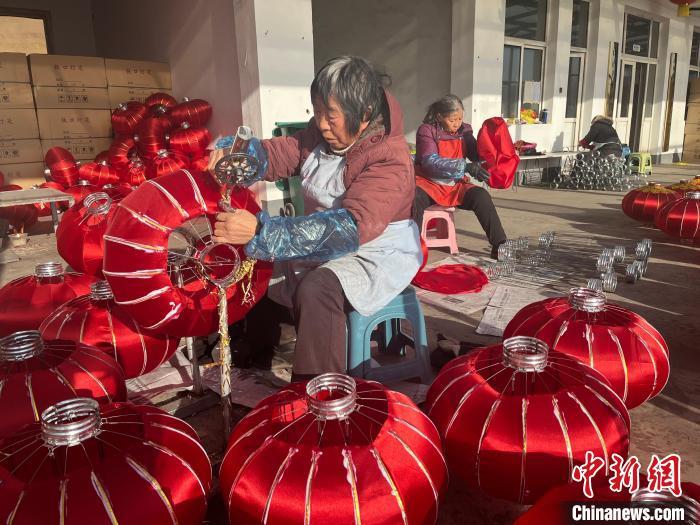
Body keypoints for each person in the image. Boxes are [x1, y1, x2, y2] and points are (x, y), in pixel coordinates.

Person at [209, 56, 420, 381]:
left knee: (317, 289)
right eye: (317, 112)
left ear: (363, 115)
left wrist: (263, 232)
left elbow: (351, 227)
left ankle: (320, 395)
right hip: (318, 234)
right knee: (255, 267)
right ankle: (251, 363)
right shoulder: (321, 135)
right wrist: (240, 155)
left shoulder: (389, 159)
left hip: (375, 247)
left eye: (331, 116)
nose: (322, 124)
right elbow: (281, 153)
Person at [412, 94, 507, 259]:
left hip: (455, 185)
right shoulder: (426, 131)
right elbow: (430, 162)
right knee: (413, 198)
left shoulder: (465, 130)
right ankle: (412, 247)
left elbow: (476, 154)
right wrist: (465, 167)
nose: (457, 124)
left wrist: (495, 147)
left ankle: (500, 245)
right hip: (429, 183)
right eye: (452, 120)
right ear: (440, 116)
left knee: (481, 196)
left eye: (460, 119)